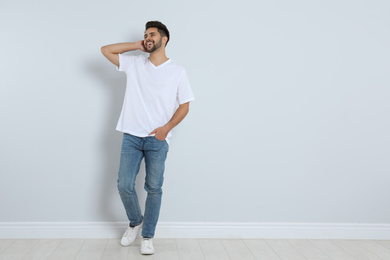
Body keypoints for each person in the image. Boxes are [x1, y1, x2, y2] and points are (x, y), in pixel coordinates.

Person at [101, 21, 194, 255]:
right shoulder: (134, 64)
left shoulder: (177, 71)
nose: (148, 37)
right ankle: (135, 221)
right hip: (131, 135)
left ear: (165, 39)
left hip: (157, 139)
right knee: (124, 185)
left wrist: (166, 128)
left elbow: (185, 105)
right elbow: (105, 50)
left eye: (152, 34)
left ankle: (147, 236)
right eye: (145, 34)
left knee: (154, 188)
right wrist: (137, 44)